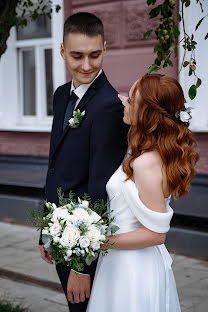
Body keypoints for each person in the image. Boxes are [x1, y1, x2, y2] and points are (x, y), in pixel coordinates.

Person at [39, 12, 128, 312]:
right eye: (77, 55)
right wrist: (46, 229)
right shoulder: (61, 95)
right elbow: (55, 164)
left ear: (105, 48)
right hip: (59, 230)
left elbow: (100, 185)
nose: (86, 65)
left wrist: (82, 266)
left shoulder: (109, 107)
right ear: (62, 50)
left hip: (84, 244)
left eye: (95, 55)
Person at [87, 73, 199, 312]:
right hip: (124, 259)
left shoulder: (145, 163)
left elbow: (156, 234)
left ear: (146, 114)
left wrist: (97, 242)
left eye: (130, 99)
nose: (122, 100)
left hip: (133, 269)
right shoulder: (147, 152)